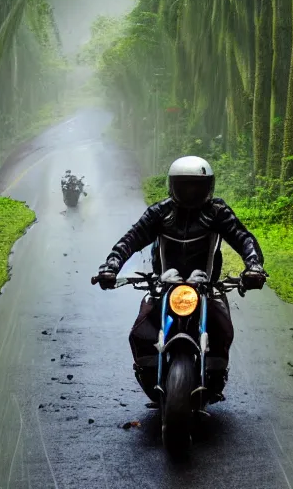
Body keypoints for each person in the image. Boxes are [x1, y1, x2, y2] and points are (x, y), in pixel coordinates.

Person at [95, 155, 267, 403]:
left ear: (209, 186)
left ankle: (216, 375)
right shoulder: (159, 212)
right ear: (172, 185)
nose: (190, 191)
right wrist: (110, 267)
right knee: (141, 330)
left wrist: (254, 267)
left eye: (197, 185)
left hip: (206, 285)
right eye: (184, 184)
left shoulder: (217, 212)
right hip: (163, 283)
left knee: (222, 328)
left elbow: (243, 239)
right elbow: (130, 240)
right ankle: (147, 372)